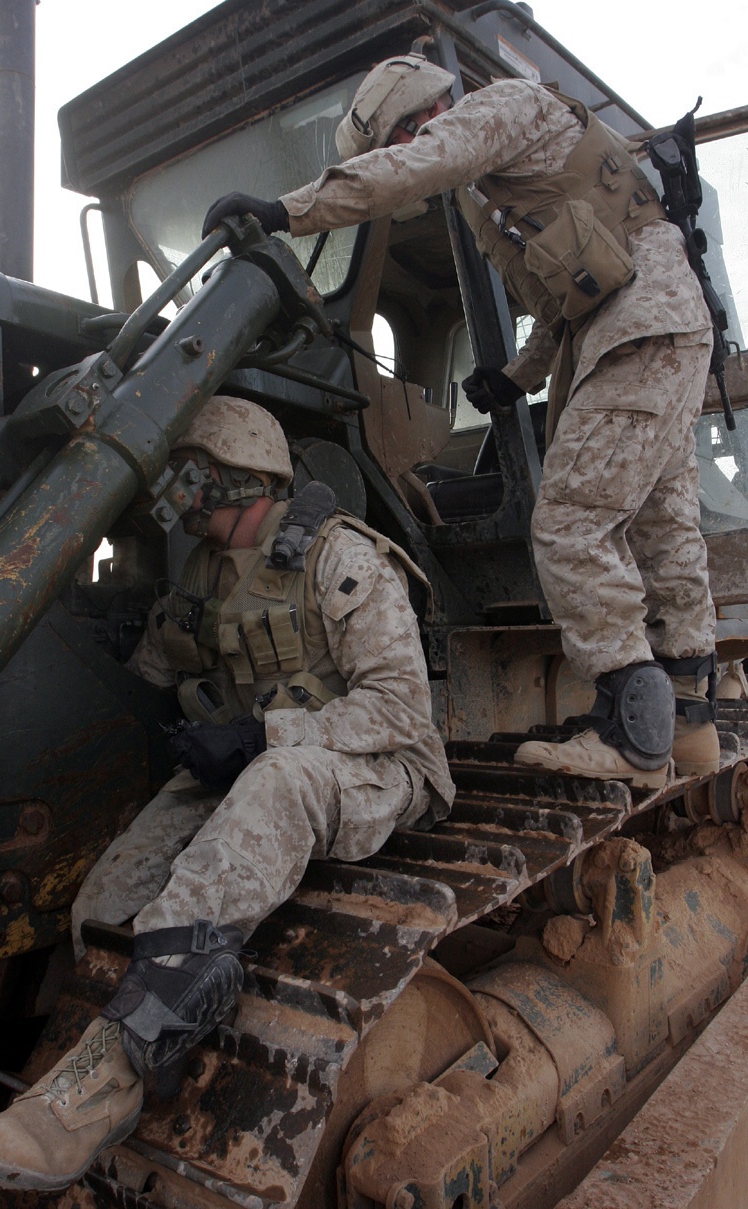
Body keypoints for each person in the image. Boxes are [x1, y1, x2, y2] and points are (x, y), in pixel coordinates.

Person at [0, 395, 454, 1192]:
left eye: (194, 475)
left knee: (278, 777)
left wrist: (265, 736)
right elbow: (152, 673)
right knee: (105, 899)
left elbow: (401, 708)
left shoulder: (340, 558)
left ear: (239, 478)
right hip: (254, 762)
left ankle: (111, 1076)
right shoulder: (202, 571)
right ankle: (107, 1044)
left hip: (376, 765)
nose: (181, 493)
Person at [198, 53, 720, 789]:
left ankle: (632, 735)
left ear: (417, 119)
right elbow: (560, 302)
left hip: (641, 332)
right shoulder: (503, 189)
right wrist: (514, 379)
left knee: (570, 525)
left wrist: (287, 212)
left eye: (398, 143)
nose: (404, 157)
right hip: (651, 329)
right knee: (664, 531)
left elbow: (418, 170)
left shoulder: (508, 108)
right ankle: (691, 725)